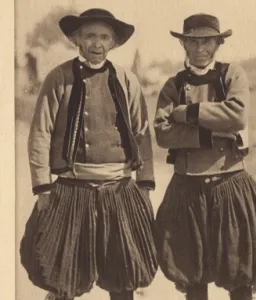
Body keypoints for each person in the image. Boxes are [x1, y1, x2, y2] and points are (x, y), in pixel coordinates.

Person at [20, 8, 157, 300]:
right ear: (76, 40)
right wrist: (43, 187)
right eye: (90, 36)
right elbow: (40, 133)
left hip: (119, 188)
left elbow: (142, 133)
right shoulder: (59, 78)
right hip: (72, 188)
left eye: (104, 37)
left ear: (114, 43)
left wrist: (145, 184)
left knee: (124, 274)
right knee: (63, 274)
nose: (97, 43)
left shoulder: (126, 79)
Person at [154, 13, 256, 300]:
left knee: (239, 269)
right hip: (187, 189)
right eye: (193, 42)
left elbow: (237, 115)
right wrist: (210, 134)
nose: (200, 49)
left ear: (218, 43)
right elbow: (163, 133)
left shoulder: (232, 74)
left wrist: (188, 113)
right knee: (192, 269)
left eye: (207, 41)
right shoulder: (174, 84)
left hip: (230, 185)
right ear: (183, 44)